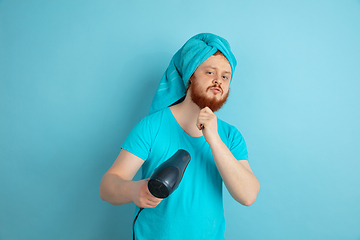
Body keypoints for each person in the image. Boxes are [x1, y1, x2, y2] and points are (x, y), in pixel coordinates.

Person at [99, 33, 260, 240]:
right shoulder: (152, 127)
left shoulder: (229, 136)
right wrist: (133, 190)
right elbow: (107, 188)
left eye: (225, 76)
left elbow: (248, 196)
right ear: (190, 75)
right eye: (210, 72)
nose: (218, 81)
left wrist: (214, 140)